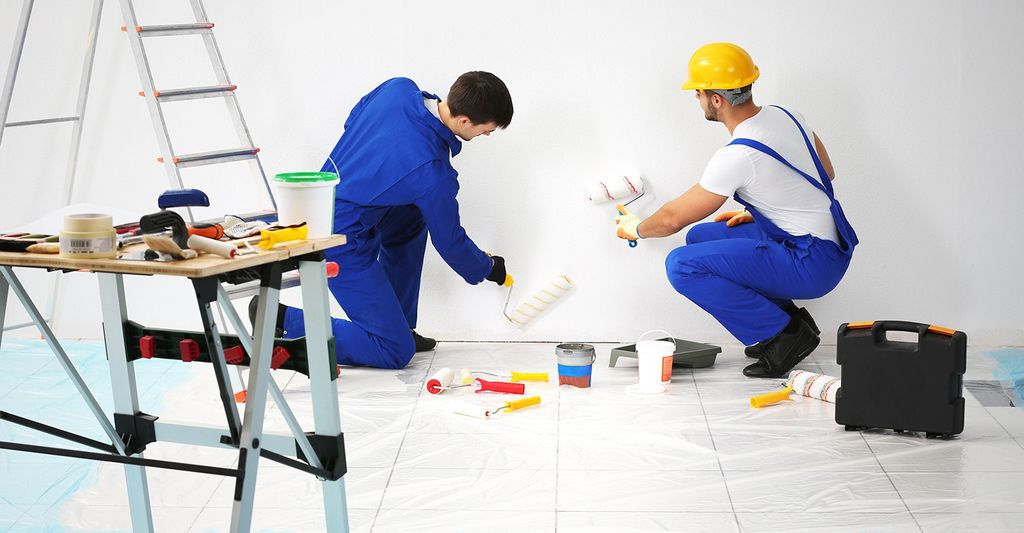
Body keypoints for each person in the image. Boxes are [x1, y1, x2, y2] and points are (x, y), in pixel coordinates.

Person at [614, 43, 858, 378]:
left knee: (681, 266)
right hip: (827, 244)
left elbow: (673, 219)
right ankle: (790, 322)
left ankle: (782, 337)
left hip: (812, 264)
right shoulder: (786, 115)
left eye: (698, 94)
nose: (697, 100)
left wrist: (635, 228)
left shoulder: (737, 155)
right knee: (702, 236)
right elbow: (825, 172)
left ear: (716, 99)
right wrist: (763, 211)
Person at [256, 72, 513, 369]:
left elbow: (353, 122)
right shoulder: (431, 171)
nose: (488, 135)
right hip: (336, 237)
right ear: (464, 121)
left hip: (321, 198)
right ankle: (282, 320)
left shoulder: (398, 88)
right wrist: (487, 267)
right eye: (485, 131)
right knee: (393, 351)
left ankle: (400, 326)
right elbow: (450, 241)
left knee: (413, 215)